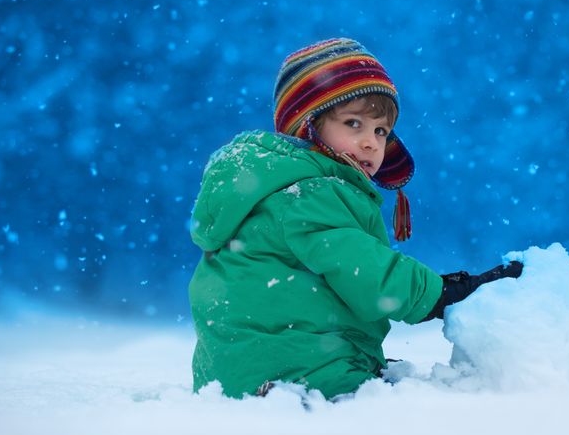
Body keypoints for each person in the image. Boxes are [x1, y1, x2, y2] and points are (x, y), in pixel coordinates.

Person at [188, 37, 521, 399]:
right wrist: (443, 292)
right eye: (353, 124)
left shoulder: (275, 190)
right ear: (307, 126)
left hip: (243, 369)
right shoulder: (309, 194)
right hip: (296, 372)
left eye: (381, 131)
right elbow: (365, 271)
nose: (371, 143)